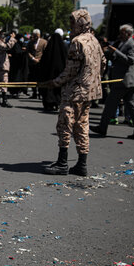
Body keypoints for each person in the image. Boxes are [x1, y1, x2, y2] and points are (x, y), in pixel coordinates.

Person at [39, 9, 106, 176]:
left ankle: (62, 163)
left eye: (73, 23)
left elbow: (70, 71)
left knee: (64, 125)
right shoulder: (94, 41)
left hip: (74, 92)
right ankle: (81, 164)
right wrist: (92, 79)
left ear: (80, 23)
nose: (71, 26)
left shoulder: (77, 42)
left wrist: (53, 83)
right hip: (90, 92)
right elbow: (103, 63)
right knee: (82, 126)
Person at [91, 24, 134, 140]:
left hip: (124, 81)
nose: (120, 35)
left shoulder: (131, 44)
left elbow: (130, 60)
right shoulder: (123, 43)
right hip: (126, 81)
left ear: (128, 33)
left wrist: (115, 51)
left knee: (111, 105)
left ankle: (102, 127)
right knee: (131, 106)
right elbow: (117, 59)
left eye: (122, 33)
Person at [37, 30, 67, 112]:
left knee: (48, 88)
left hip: (48, 75)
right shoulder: (63, 48)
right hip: (59, 74)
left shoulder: (48, 49)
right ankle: (57, 103)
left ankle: (49, 103)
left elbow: (43, 63)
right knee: (57, 89)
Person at [0, 28, 17, 107]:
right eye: (0, 34)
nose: (2, 35)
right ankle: (4, 100)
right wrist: (12, 38)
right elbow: (8, 46)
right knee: (4, 82)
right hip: (3, 66)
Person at [27, 29, 47, 99]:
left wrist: (40, 60)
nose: (35, 37)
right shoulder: (30, 43)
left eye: (37, 35)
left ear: (39, 35)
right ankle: (34, 92)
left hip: (40, 63)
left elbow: (45, 52)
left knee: (40, 78)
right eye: (34, 35)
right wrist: (33, 58)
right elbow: (28, 52)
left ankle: (40, 93)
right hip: (32, 63)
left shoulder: (44, 42)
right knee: (32, 78)